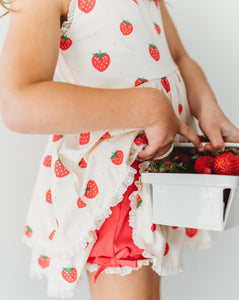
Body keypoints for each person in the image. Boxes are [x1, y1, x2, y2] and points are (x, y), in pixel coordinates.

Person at [0, 0, 239, 299]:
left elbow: (178, 56)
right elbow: (19, 102)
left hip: (155, 177)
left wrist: (206, 105)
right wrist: (148, 106)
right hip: (109, 189)